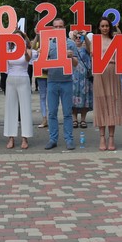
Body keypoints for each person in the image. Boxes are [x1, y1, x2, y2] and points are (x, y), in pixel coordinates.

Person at [44, 17, 80, 151]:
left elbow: (76, 63)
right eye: (56, 27)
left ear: (64, 28)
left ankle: (69, 139)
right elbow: (43, 65)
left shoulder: (70, 43)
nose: (58, 29)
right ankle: (53, 139)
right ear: (53, 29)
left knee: (67, 113)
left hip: (66, 82)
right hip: (52, 82)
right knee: (52, 113)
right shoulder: (48, 43)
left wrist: (71, 57)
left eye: (60, 26)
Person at [93, 19, 122, 151]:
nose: (105, 28)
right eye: (102, 26)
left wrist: (118, 32)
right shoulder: (95, 40)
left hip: (113, 73)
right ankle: (102, 137)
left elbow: (121, 52)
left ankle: (111, 137)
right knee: (101, 104)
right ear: (99, 27)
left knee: (112, 104)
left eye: (107, 26)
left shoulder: (115, 40)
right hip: (99, 74)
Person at [4, 30, 33, 150]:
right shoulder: (9, 50)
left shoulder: (27, 49)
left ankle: (25, 138)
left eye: (19, 37)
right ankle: (11, 137)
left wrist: (25, 51)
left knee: (25, 109)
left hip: (23, 79)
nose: (17, 39)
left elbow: (28, 59)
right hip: (10, 79)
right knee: (10, 108)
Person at [70, 30, 93, 130]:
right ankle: (74, 119)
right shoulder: (71, 48)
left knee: (85, 98)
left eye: (80, 38)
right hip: (73, 76)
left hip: (84, 77)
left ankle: (83, 119)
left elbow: (90, 47)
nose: (78, 39)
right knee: (73, 98)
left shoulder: (85, 49)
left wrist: (85, 36)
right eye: (76, 38)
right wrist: (72, 37)